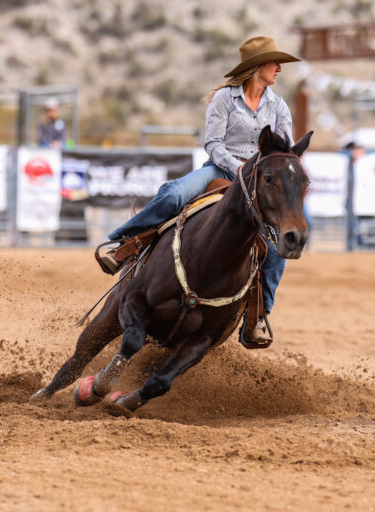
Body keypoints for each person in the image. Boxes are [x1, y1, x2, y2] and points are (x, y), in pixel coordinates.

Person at [103, 35, 300, 345]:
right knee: (173, 194)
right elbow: (212, 143)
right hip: (220, 169)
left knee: (275, 250)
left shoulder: (278, 106)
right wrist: (237, 166)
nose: (279, 68)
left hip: (258, 183)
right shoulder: (225, 99)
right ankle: (124, 244)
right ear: (257, 67)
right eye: (274, 62)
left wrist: (261, 173)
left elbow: (282, 149)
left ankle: (257, 318)